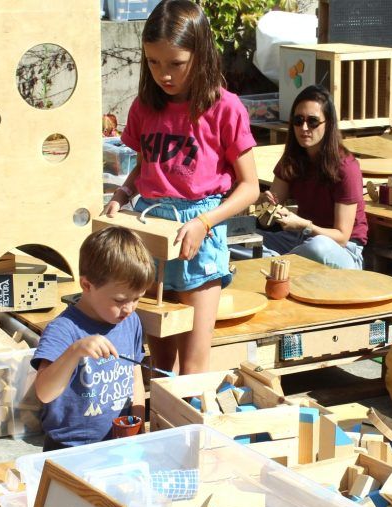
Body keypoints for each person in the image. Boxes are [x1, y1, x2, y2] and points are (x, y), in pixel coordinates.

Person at [104, 0, 259, 375]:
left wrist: (205, 222)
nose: (164, 75)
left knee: (192, 367)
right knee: (158, 361)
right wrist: (122, 195)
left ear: (201, 55)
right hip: (152, 230)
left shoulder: (225, 108)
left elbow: (250, 187)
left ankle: (187, 431)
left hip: (199, 236)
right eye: (154, 62)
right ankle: (158, 429)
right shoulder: (144, 107)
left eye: (175, 64)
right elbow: (147, 165)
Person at [32, 228, 155, 451]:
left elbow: (134, 376)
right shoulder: (63, 330)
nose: (128, 308)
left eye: (136, 298)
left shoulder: (131, 321)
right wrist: (75, 351)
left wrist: (138, 428)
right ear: (87, 285)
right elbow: (44, 392)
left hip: (119, 443)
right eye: (119, 300)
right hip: (68, 448)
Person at [253, 85, 367, 270]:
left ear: (328, 123)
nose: (304, 128)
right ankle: (281, 264)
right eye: (298, 120)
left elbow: (342, 236)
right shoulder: (292, 159)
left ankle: (277, 265)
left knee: (317, 247)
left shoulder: (346, 168)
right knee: (246, 242)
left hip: (341, 250)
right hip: (299, 240)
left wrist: (304, 225)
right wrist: (263, 204)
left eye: (312, 121)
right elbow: (265, 218)